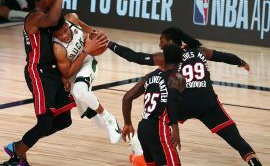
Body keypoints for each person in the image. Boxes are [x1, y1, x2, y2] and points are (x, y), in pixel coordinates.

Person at [108, 27, 262, 166]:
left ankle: (145, 156)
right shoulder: (199, 50)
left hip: (181, 104)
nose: (160, 45)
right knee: (236, 139)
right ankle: (253, 161)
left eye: (161, 41)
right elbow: (222, 56)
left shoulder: (167, 57)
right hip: (207, 103)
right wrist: (240, 62)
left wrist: (109, 44)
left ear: (169, 41)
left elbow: (134, 56)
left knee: (154, 121)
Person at [0, 0, 105, 166]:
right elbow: (54, 17)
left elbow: (61, 21)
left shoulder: (48, 19)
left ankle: (19, 148)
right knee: (45, 122)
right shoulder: (35, 17)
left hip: (52, 71)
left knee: (64, 120)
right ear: (42, 1)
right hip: (38, 72)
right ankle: (17, 154)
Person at [49, 13, 122, 144]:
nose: (64, 36)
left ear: (67, 24)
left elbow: (85, 28)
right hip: (72, 71)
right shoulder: (58, 48)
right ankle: (129, 137)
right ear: (54, 35)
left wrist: (96, 34)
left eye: (65, 30)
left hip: (87, 63)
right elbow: (68, 73)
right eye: (59, 35)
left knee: (80, 91)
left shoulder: (72, 19)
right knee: (97, 121)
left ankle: (110, 119)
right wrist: (86, 50)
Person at [122, 44, 185, 166]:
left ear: (164, 59)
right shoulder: (177, 77)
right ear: (181, 61)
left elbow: (127, 98)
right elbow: (171, 102)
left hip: (143, 128)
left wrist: (128, 123)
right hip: (159, 128)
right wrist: (175, 129)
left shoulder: (150, 76)